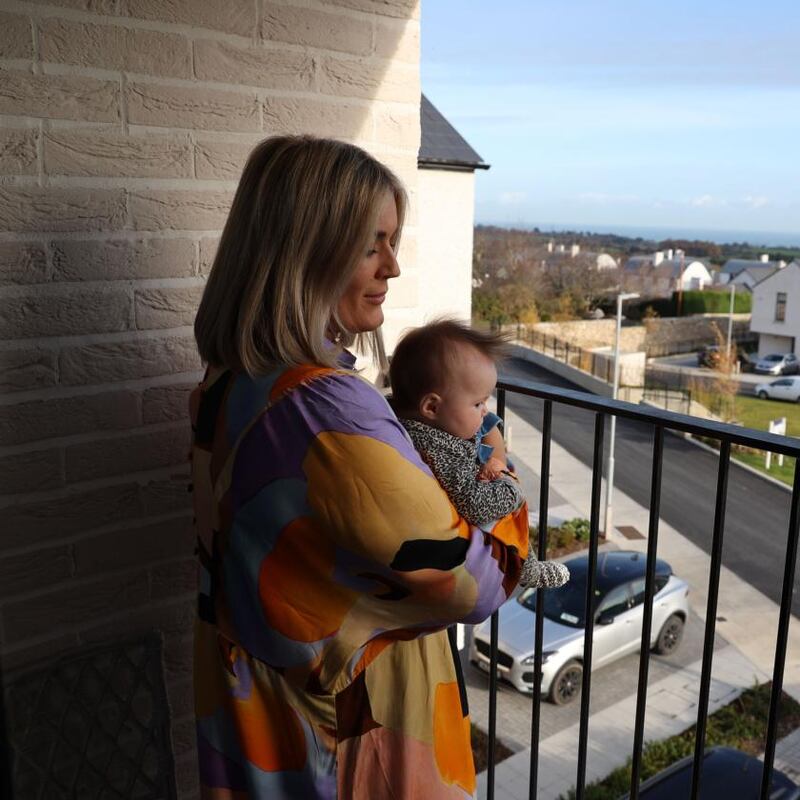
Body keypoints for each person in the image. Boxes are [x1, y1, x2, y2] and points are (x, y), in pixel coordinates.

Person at [190, 135, 530, 800]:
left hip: (257, 716)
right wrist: (498, 472)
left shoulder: (227, 383)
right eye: (372, 244)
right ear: (305, 249)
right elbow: (478, 582)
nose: (393, 267)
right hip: (352, 742)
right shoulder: (326, 409)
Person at [388, 319, 569, 589]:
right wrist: (510, 486)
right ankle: (526, 568)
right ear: (432, 407)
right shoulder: (436, 448)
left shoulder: (425, 429)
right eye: (478, 403)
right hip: (463, 542)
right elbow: (476, 505)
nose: (485, 411)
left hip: (454, 516)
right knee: (510, 510)